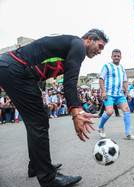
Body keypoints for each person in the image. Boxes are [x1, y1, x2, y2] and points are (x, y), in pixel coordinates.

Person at [0, 28, 108, 187]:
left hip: (14, 68)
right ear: (90, 39)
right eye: (99, 46)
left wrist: (77, 109)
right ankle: (48, 178)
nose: (99, 51)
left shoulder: (71, 44)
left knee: (37, 122)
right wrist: (75, 115)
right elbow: (70, 83)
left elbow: (43, 67)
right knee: (38, 122)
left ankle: (36, 167)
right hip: (16, 68)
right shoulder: (78, 45)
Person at [98, 49, 134, 140]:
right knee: (109, 112)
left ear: (121, 57)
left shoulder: (122, 68)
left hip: (119, 94)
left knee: (127, 110)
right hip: (109, 94)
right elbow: (101, 79)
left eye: (118, 56)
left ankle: (127, 134)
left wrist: (127, 93)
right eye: (115, 56)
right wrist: (103, 91)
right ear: (111, 57)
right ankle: (100, 127)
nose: (116, 57)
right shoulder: (107, 66)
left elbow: (124, 82)